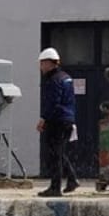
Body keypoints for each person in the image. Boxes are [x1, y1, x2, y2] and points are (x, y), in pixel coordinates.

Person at [36, 47, 78, 197]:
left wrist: (43, 119)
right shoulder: (66, 77)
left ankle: (55, 187)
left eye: (42, 64)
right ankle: (72, 179)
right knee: (58, 153)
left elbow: (53, 102)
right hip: (67, 119)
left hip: (57, 121)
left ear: (49, 63)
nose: (41, 67)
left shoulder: (53, 80)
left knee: (54, 155)